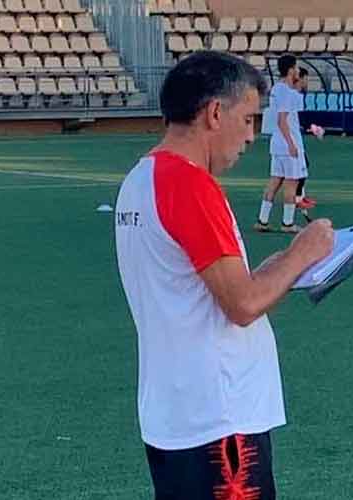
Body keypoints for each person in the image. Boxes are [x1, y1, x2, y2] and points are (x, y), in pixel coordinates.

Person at [114, 50, 334, 499]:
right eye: (249, 119)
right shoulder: (190, 185)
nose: (252, 136)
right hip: (219, 420)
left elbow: (217, 286)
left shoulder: (141, 178)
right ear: (215, 112)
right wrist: (305, 250)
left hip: (177, 413)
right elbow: (242, 303)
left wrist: (288, 261)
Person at [255, 54, 307, 234]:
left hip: (276, 144)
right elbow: (282, 120)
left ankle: (263, 219)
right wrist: (291, 144)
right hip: (287, 144)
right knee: (290, 184)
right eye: (297, 67)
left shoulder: (277, 88)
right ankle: (287, 223)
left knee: (274, 181)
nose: (298, 71)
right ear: (291, 69)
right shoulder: (285, 90)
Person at [294, 67, 316, 211]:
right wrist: (311, 127)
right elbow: (299, 117)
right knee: (299, 169)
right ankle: (297, 199)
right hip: (291, 139)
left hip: (293, 137)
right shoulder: (294, 96)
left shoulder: (293, 94)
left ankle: (300, 196)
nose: (307, 82)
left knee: (302, 167)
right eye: (306, 78)